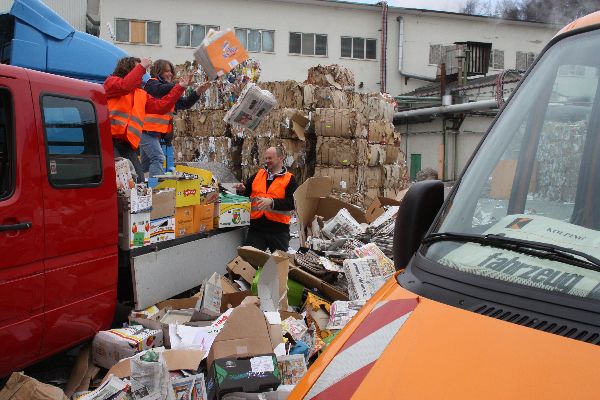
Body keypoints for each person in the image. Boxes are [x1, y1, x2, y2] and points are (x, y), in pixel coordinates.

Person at [104, 56, 188, 182]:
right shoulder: (112, 82)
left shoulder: (140, 94)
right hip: (109, 141)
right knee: (121, 179)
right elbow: (125, 86)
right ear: (127, 69)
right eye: (138, 69)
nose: (142, 73)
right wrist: (142, 67)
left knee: (139, 182)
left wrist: (179, 87)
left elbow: (161, 106)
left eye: (142, 70)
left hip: (127, 144)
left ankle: (146, 197)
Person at [141, 59, 211, 177]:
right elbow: (161, 89)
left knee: (146, 164)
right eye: (166, 71)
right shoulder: (151, 84)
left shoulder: (170, 90)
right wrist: (180, 85)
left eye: (171, 71)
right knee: (158, 158)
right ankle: (155, 190)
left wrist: (198, 92)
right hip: (146, 131)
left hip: (155, 133)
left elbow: (184, 104)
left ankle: (143, 186)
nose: (170, 74)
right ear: (158, 72)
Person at [234, 147, 297, 252]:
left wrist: (272, 202)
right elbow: (246, 194)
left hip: (278, 231)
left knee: (278, 266)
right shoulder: (258, 175)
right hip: (256, 230)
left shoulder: (290, 179)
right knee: (249, 263)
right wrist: (242, 190)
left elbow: (292, 203)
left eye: (270, 158)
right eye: (266, 158)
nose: (267, 161)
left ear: (280, 158)